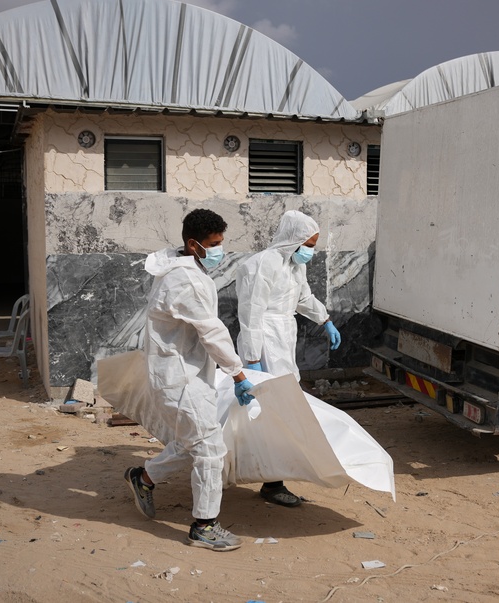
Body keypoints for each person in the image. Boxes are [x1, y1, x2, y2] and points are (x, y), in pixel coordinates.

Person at [123, 208, 256, 551]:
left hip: (186, 374)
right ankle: (204, 526)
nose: (219, 250)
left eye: (221, 242)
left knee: (189, 442)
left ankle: (144, 477)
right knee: (210, 449)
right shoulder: (184, 280)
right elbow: (212, 332)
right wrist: (238, 373)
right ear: (193, 244)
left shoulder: (184, 267)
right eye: (213, 244)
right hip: (180, 379)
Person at [235, 210, 342, 507]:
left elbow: (303, 298)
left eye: (314, 245)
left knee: (281, 409)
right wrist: (253, 358)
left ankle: (273, 478)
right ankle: (269, 481)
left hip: (283, 337)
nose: (311, 251)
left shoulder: (295, 265)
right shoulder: (263, 264)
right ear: (294, 239)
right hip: (264, 339)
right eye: (309, 244)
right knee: (269, 411)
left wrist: (325, 320)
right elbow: (251, 314)